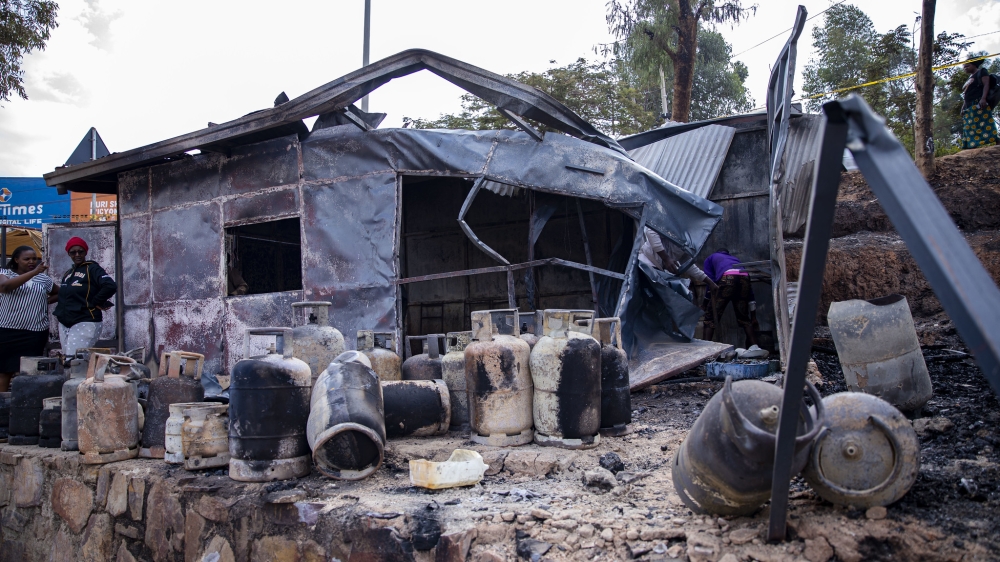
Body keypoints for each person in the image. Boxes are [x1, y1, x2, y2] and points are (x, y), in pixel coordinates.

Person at [0, 246, 58, 391]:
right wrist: (33, 272)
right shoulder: (4, 273)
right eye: (27, 259)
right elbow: (5, 287)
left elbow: (61, 293)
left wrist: (45, 301)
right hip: (7, 331)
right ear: (16, 260)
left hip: (35, 333)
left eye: (34, 258)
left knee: (31, 372)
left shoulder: (43, 279)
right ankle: (2, 406)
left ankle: (26, 405)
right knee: (4, 370)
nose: (31, 261)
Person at [54, 237, 117, 359]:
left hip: (85, 320)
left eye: (80, 251)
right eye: (73, 252)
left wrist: (96, 301)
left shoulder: (92, 268)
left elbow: (110, 285)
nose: (77, 255)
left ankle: (84, 378)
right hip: (65, 322)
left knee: (76, 361)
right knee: (69, 360)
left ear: (85, 252)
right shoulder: (68, 273)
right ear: (68, 253)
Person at [702, 248, 764, 354]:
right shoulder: (735, 259)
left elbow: (709, 281)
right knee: (743, 317)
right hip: (744, 277)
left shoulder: (710, 258)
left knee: (710, 317)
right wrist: (753, 316)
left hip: (727, 277)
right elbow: (750, 292)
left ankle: (704, 349)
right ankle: (755, 346)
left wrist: (705, 302)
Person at [639, 227, 719, 293]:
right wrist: (666, 258)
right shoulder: (676, 227)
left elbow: (690, 266)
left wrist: (710, 282)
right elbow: (651, 231)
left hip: (658, 272)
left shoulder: (689, 245)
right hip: (645, 264)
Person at [961, 59, 998, 150]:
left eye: (967, 66)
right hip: (968, 106)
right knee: (969, 125)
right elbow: (966, 94)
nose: (965, 68)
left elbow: (986, 85)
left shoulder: (982, 72)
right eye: (964, 67)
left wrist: (983, 98)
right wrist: (963, 107)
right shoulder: (969, 79)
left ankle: (997, 141)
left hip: (978, 102)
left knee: (984, 123)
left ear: (974, 65)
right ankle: (971, 146)